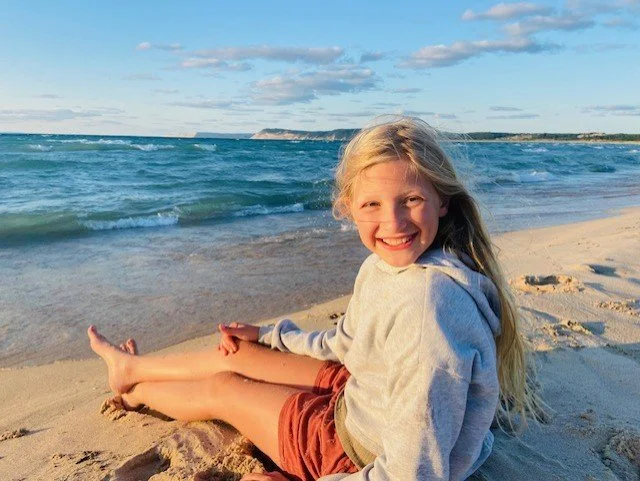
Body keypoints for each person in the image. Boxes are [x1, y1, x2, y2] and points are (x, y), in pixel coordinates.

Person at [88, 117, 542, 481]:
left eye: (410, 200)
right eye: (372, 205)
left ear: (442, 201)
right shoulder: (388, 266)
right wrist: (270, 335)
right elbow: (345, 345)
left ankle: (138, 393)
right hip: (367, 393)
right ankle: (131, 369)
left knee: (224, 388)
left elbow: (413, 472)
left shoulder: (429, 311)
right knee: (240, 354)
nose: (393, 222)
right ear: (348, 207)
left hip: (355, 453)